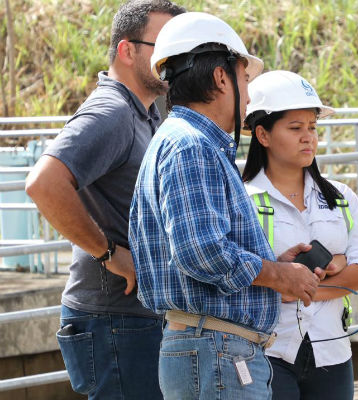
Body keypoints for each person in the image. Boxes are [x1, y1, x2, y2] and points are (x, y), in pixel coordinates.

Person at [128, 13, 324, 400]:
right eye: (246, 80)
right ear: (221, 78)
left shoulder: (184, 141)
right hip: (217, 351)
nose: (249, 97)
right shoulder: (192, 146)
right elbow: (201, 252)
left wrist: (272, 267)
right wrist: (278, 275)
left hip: (211, 349)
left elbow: (201, 250)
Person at [24, 1, 184, 398]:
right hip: (114, 320)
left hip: (131, 318)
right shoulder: (111, 112)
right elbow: (43, 183)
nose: (172, 60)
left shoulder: (146, 113)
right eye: (162, 47)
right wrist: (109, 252)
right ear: (128, 50)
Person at [242, 70, 358, 399]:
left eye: (312, 127)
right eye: (295, 128)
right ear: (262, 135)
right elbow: (237, 271)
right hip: (267, 351)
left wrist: (297, 287)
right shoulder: (241, 201)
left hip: (332, 351)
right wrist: (330, 266)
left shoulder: (342, 198)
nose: (309, 137)